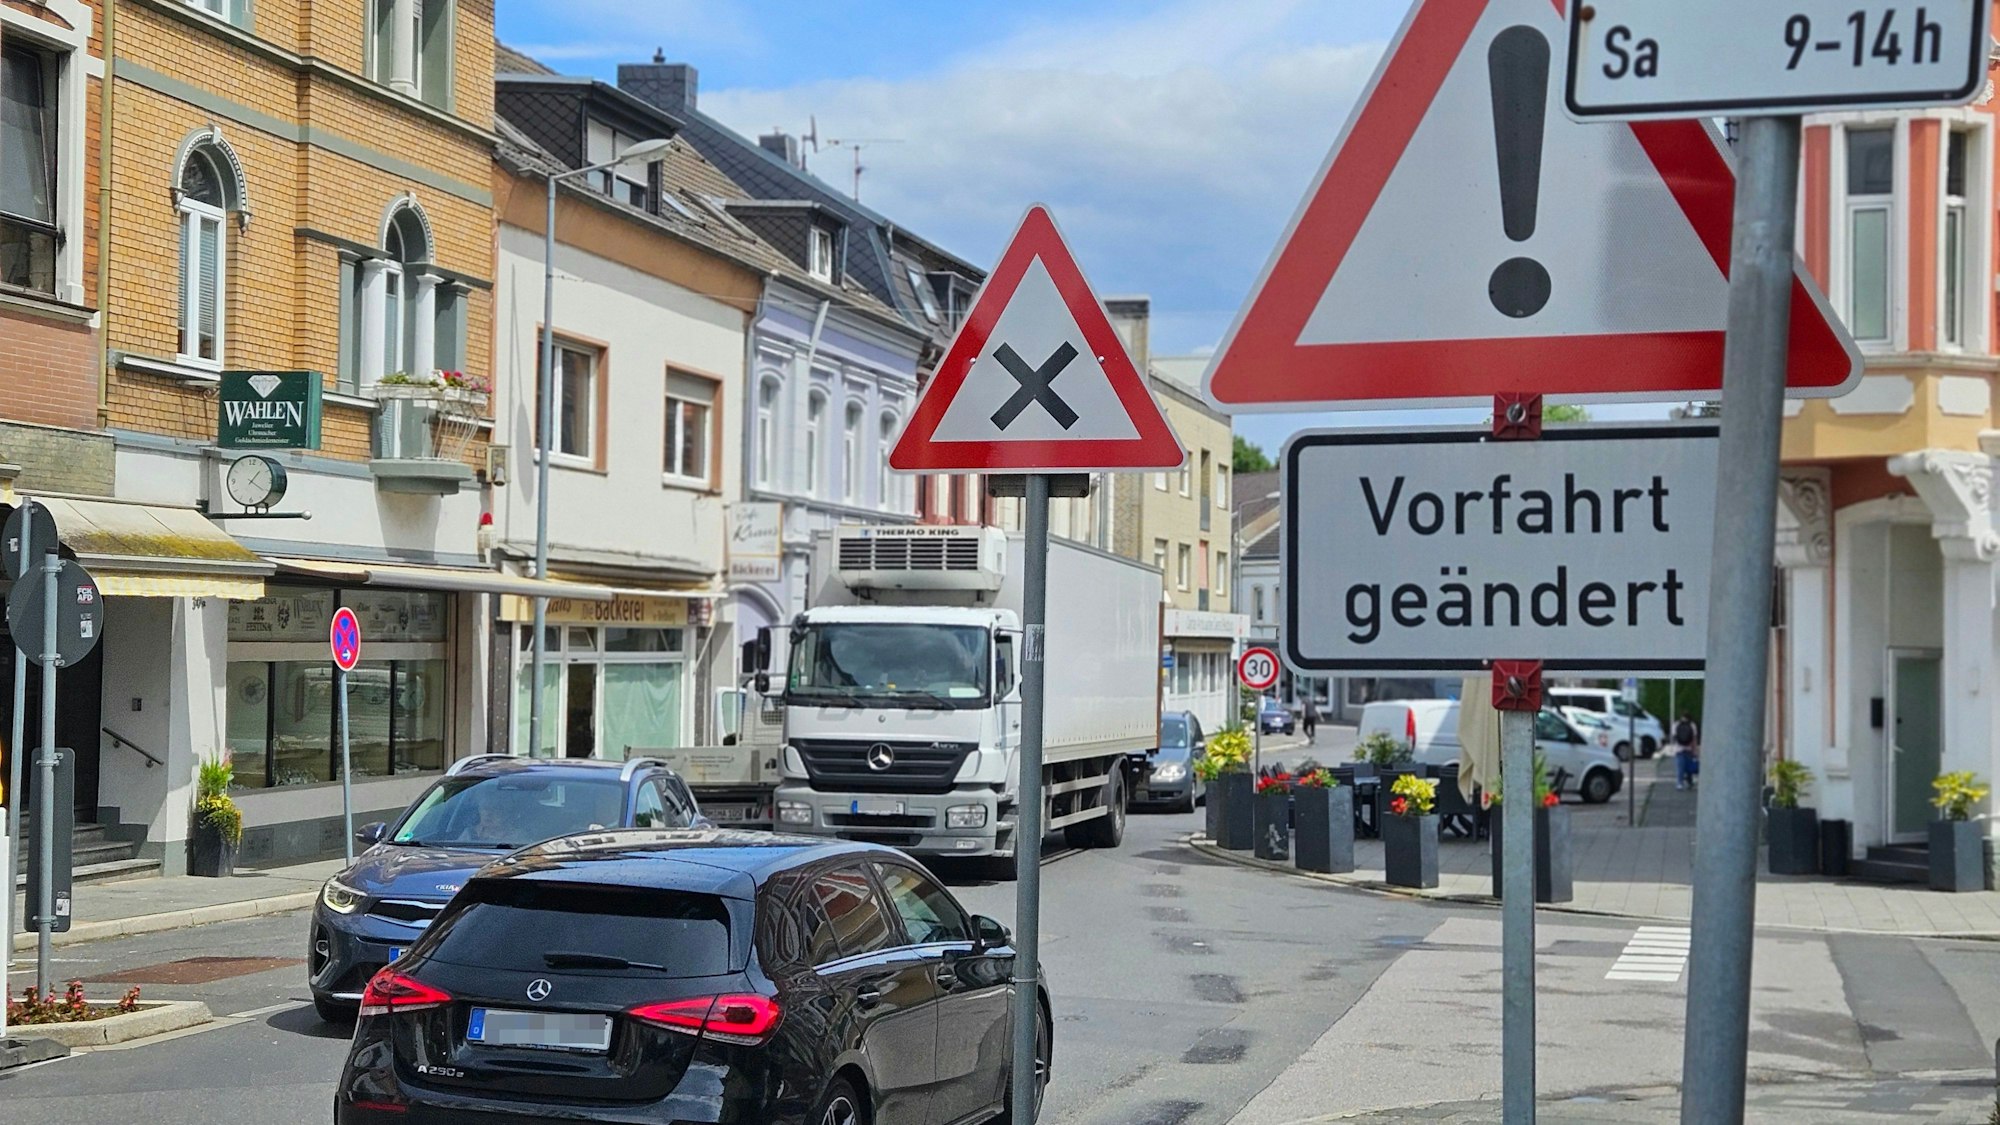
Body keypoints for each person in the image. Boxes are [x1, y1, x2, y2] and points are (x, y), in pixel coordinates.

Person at [1672, 712, 1699, 790]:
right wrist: (1695, 750)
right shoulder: (1692, 725)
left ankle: (1679, 783)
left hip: (1679, 749)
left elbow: (1674, 737)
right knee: (1689, 768)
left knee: (1680, 768)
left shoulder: (1676, 724)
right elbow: (1694, 739)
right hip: (1689, 749)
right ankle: (1689, 782)